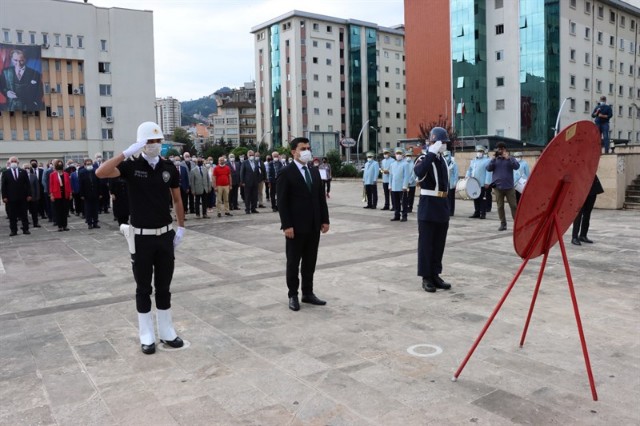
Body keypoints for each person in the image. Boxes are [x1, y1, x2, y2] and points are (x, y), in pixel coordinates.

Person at [96, 121, 186, 355]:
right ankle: (146, 334)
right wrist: (127, 151)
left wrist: (182, 227)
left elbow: (177, 199)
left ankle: (167, 331)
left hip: (165, 235)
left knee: (164, 286)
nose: (154, 145)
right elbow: (101, 172)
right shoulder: (130, 167)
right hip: (141, 237)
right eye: (149, 141)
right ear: (141, 143)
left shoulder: (169, 167)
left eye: (157, 141)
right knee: (143, 287)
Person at [276, 137, 330, 311]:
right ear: (294, 152)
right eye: (303, 148)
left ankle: (308, 292)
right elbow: (282, 202)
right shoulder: (287, 172)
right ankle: (293, 294)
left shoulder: (314, 171)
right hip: (295, 227)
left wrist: (325, 219)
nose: (307, 151)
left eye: (308, 148)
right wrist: (286, 225)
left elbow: (321, 198)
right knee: (293, 262)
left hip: (314, 225)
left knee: (310, 261)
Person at [414, 127, 452, 293]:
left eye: (445, 143)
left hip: (442, 205)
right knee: (426, 244)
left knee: (438, 244)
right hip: (428, 205)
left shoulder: (443, 159)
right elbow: (419, 172)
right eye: (441, 142)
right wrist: (430, 153)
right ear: (434, 142)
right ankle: (426, 277)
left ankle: (435, 274)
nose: (444, 145)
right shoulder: (424, 158)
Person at [486, 142, 520, 231]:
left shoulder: (510, 158)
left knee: (513, 206)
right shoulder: (495, 159)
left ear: (505, 149)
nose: (500, 151)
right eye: (498, 149)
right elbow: (488, 168)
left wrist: (508, 158)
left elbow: (517, 167)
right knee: (500, 206)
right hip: (498, 188)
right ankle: (503, 223)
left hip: (509, 187)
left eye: (502, 149)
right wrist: (493, 159)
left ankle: (517, 224)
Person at [1, 156, 32, 236]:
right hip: (11, 198)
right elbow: (3, 186)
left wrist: (29, 194)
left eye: (15, 161)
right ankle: (13, 230)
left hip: (23, 197)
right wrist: (4, 197)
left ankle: (26, 229)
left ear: (18, 163)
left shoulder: (23, 172)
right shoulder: (5, 173)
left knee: (24, 214)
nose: (14, 163)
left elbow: (28, 184)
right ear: (9, 163)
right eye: (12, 161)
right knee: (12, 215)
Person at [571, 176, 604, 246]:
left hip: (592, 189)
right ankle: (574, 237)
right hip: (580, 188)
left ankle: (583, 235)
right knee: (578, 214)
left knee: (587, 214)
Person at [466, 145, 492, 219]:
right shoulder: (473, 160)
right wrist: (467, 177)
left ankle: (482, 213)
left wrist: (487, 182)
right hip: (473, 182)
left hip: (482, 183)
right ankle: (476, 212)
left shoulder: (487, 161)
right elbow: (469, 169)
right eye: (478, 151)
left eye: (481, 151)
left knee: (482, 198)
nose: (479, 153)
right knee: (475, 197)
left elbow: (488, 172)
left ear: (483, 153)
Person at [49, 159, 72, 232]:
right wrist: (51, 195)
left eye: (61, 164)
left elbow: (69, 184)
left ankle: (65, 225)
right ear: (56, 165)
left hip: (65, 194)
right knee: (58, 211)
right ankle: (59, 226)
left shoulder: (66, 174)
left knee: (65, 211)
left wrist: (70, 193)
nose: (60, 165)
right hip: (57, 195)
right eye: (58, 164)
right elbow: (51, 185)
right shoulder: (52, 174)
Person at [79, 158, 101, 229]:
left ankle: (95, 222)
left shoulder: (95, 171)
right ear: (85, 165)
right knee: (88, 209)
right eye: (87, 164)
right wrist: (81, 194)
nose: (89, 165)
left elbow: (99, 182)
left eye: (90, 164)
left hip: (95, 193)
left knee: (95, 209)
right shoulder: (82, 172)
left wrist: (100, 193)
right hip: (86, 194)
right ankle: (89, 223)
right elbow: (80, 184)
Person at [389, 147, 409, 222]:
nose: (398, 155)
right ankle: (396, 215)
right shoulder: (392, 164)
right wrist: (390, 185)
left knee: (404, 202)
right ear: (395, 154)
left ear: (403, 155)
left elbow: (406, 176)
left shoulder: (405, 164)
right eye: (397, 153)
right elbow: (391, 176)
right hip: (394, 186)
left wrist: (405, 186)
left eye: (400, 153)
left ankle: (404, 216)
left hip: (401, 187)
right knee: (395, 202)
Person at [240, 149, 262, 214]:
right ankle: (247, 209)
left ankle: (253, 208)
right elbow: (242, 172)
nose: (251, 156)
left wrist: (258, 180)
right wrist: (242, 181)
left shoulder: (255, 162)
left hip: (255, 182)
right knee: (247, 196)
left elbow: (258, 172)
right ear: (248, 155)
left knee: (254, 196)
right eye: (250, 155)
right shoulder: (245, 162)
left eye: (252, 155)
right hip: (247, 182)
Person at [24, 162, 41, 228]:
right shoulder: (21, 176)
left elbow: (37, 187)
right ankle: (25, 224)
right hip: (24, 198)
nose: (27, 169)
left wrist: (37, 196)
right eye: (25, 168)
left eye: (28, 168)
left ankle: (35, 223)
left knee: (34, 212)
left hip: (34, 197)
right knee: (24, 212)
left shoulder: (33, 176)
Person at [443, 150, 458, 216]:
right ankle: (446, 210)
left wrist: (455, 183)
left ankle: (451, 211)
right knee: (445, 197)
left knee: (451, 198)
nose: (446, 157)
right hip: (445, 183)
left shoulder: (454, 164)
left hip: (451, 183)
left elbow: (456, 174)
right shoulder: (443, 164)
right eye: (445, 156)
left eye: (447, 155)